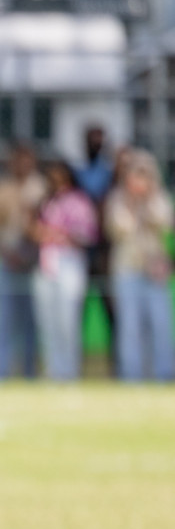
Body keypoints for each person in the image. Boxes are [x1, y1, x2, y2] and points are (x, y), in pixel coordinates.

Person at [104, 149, 175, 381]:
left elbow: (165, 223)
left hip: (155, 271)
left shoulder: (159, 198)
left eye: (145, 174)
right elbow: (119, 229)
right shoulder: (117, 199)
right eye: (136, 174)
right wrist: (133, 202)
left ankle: (164, 373)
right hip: (127, 269)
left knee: (160, 323)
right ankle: (131, 376)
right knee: (130, 326)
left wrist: (147, 200)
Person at [0, 142, 46, 379]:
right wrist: (9, 255)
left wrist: (34, 253)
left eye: (27, 158)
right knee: (2, 320)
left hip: (38, 263)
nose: (22, 164)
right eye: (17, 159)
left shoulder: (42, 187)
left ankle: (30, 373)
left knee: (34, 321)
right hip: (7, 261)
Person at [30, 161, 98, 381]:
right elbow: (33, 229)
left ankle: (69, 370)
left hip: (69, 262)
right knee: (47, 320)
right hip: (46, 263)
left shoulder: (79, 201)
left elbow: (87, 235)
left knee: (67, 319)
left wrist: (60, 234)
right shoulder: (45, 202)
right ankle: (52, 369)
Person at [76, 125, 118, 374]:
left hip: (104, 252)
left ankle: (118, 366)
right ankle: (73, 367)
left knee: (112, 311)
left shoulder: (109, 174)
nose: (96, 143)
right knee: (76, 313)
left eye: (100, 139)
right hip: (82, 252)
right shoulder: (78, 173)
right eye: (92, 139)